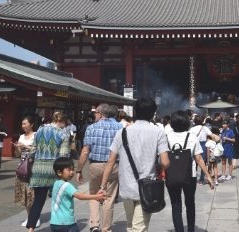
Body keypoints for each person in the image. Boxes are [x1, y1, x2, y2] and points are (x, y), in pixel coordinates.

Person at [101, 97, 170, 232]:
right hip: (147, 187)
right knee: (138, 228)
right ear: (153, 113)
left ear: (135, 111)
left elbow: (111, 161)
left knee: (131, 225)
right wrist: (158, 168)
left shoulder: (122, 132)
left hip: (126, 186)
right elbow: (165, 162)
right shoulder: (158, 132)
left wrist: (103, 185)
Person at [76, 104, 123, 232]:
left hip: (95, 165)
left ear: (101, 114)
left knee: (94, 195)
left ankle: (94, 224)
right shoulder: (120, 127)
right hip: (113, 165)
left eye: (95, 112)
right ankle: (106, 228)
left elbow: (85, 151)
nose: (94, 115)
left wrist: (79, 169)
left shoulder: (91, 128)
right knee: (109, 197)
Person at [166, 110, 214, 232]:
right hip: (189, 175)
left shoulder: (166, 137)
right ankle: (191, 229)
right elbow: (198, 158)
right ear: (187, 122)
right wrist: (208, 175)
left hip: (171, 175)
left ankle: (179, 230)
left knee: (176, 204)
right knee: (190, 204)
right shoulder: (191, 137)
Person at [26, 112, 71, 231]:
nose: (65, 126)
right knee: (58, 200)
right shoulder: (63, 134)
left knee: (38, 201)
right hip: (54, 171)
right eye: (64, 124)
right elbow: (63, 155)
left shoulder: (40, 130)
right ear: (61, 121)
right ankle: (59, 225)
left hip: (38, 169)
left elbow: (33, 149)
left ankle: (31, 228)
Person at [50, 157, 105, 232]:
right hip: (67, 223)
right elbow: (79, 196)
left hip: (54, 223)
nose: (72, 172)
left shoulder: (56, 183)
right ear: (59, 172)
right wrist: (96, 196)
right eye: (68, 170)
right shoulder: (67, 185)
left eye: (72, 169)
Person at [15, 116, 36, 227]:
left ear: (31, 124)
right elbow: (18, 154)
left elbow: (38, 150)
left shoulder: (36, 135)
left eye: (25, 123)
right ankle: (30, 217)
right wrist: (17, 148)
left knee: (32, 193)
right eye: (22, 124)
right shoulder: (21, 136)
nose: (23, 126)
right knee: (25, 194)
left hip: (33, 167)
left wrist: (26, 146)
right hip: (23, 168)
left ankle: (35, 217)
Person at [188, 115, 214, 185]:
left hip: (194, 145)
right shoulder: (204, 128)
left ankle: (194, 177)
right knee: (203, 162)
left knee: (194, 162)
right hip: (203, 145)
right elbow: (211, 135)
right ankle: (202, 179)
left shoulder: (192, 129)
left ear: (194, 121)